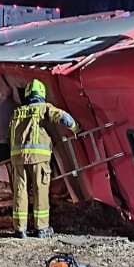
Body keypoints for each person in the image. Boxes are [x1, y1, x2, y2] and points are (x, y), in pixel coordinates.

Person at [9, 78, 80, 238]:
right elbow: (64, 118)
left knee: (20, 193)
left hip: (18, 160)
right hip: (39, 158)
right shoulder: (44, 108)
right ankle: (42, 228)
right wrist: (77, 128)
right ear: (41, 94)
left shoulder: (17, 112)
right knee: (40, 192)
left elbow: (9, 136)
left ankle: (20, 229)